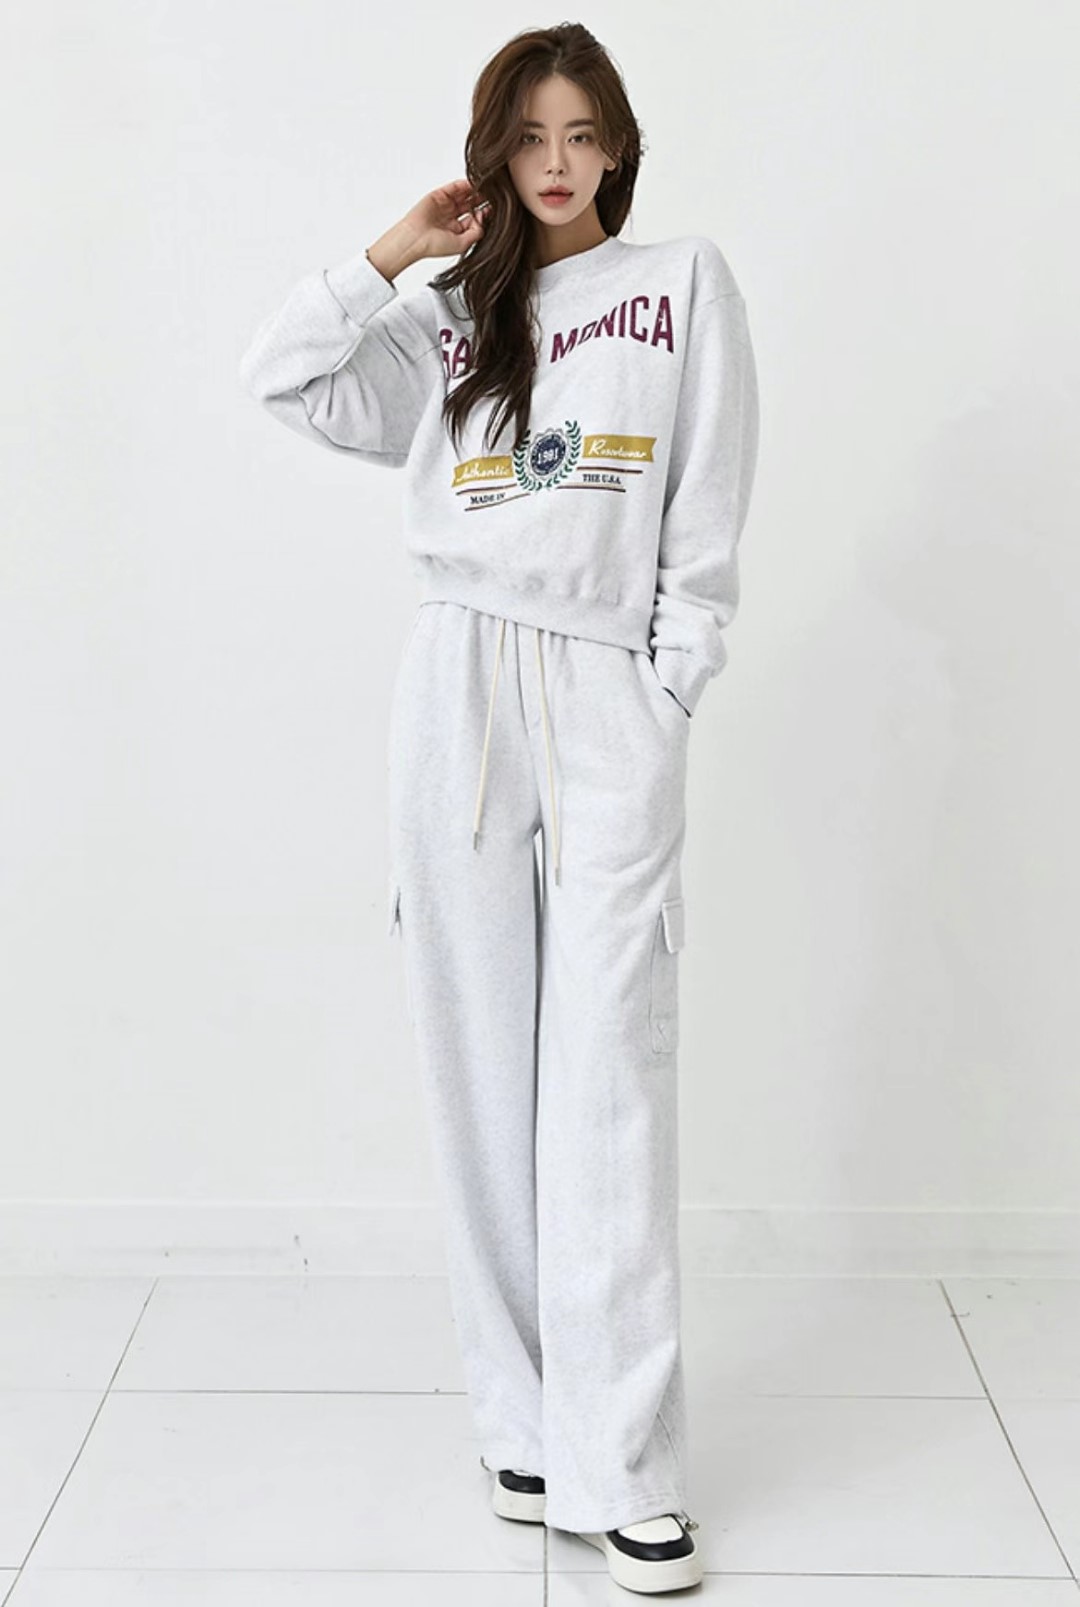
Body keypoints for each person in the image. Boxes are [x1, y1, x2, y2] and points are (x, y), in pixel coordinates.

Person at [239, 21, 759, 1595]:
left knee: (610, 1079)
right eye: (528, 135)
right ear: (495, 151)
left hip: (604, 689)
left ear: (619, 146)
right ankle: (523, 1426)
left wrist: (669, 687)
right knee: (479, 1065)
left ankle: (627, 1464)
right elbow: (284, 380)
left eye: (580, 133)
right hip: (457, 680)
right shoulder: (455, 312)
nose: (554, 162)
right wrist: (393, 253)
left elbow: (708, 504)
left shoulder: (682, 286)